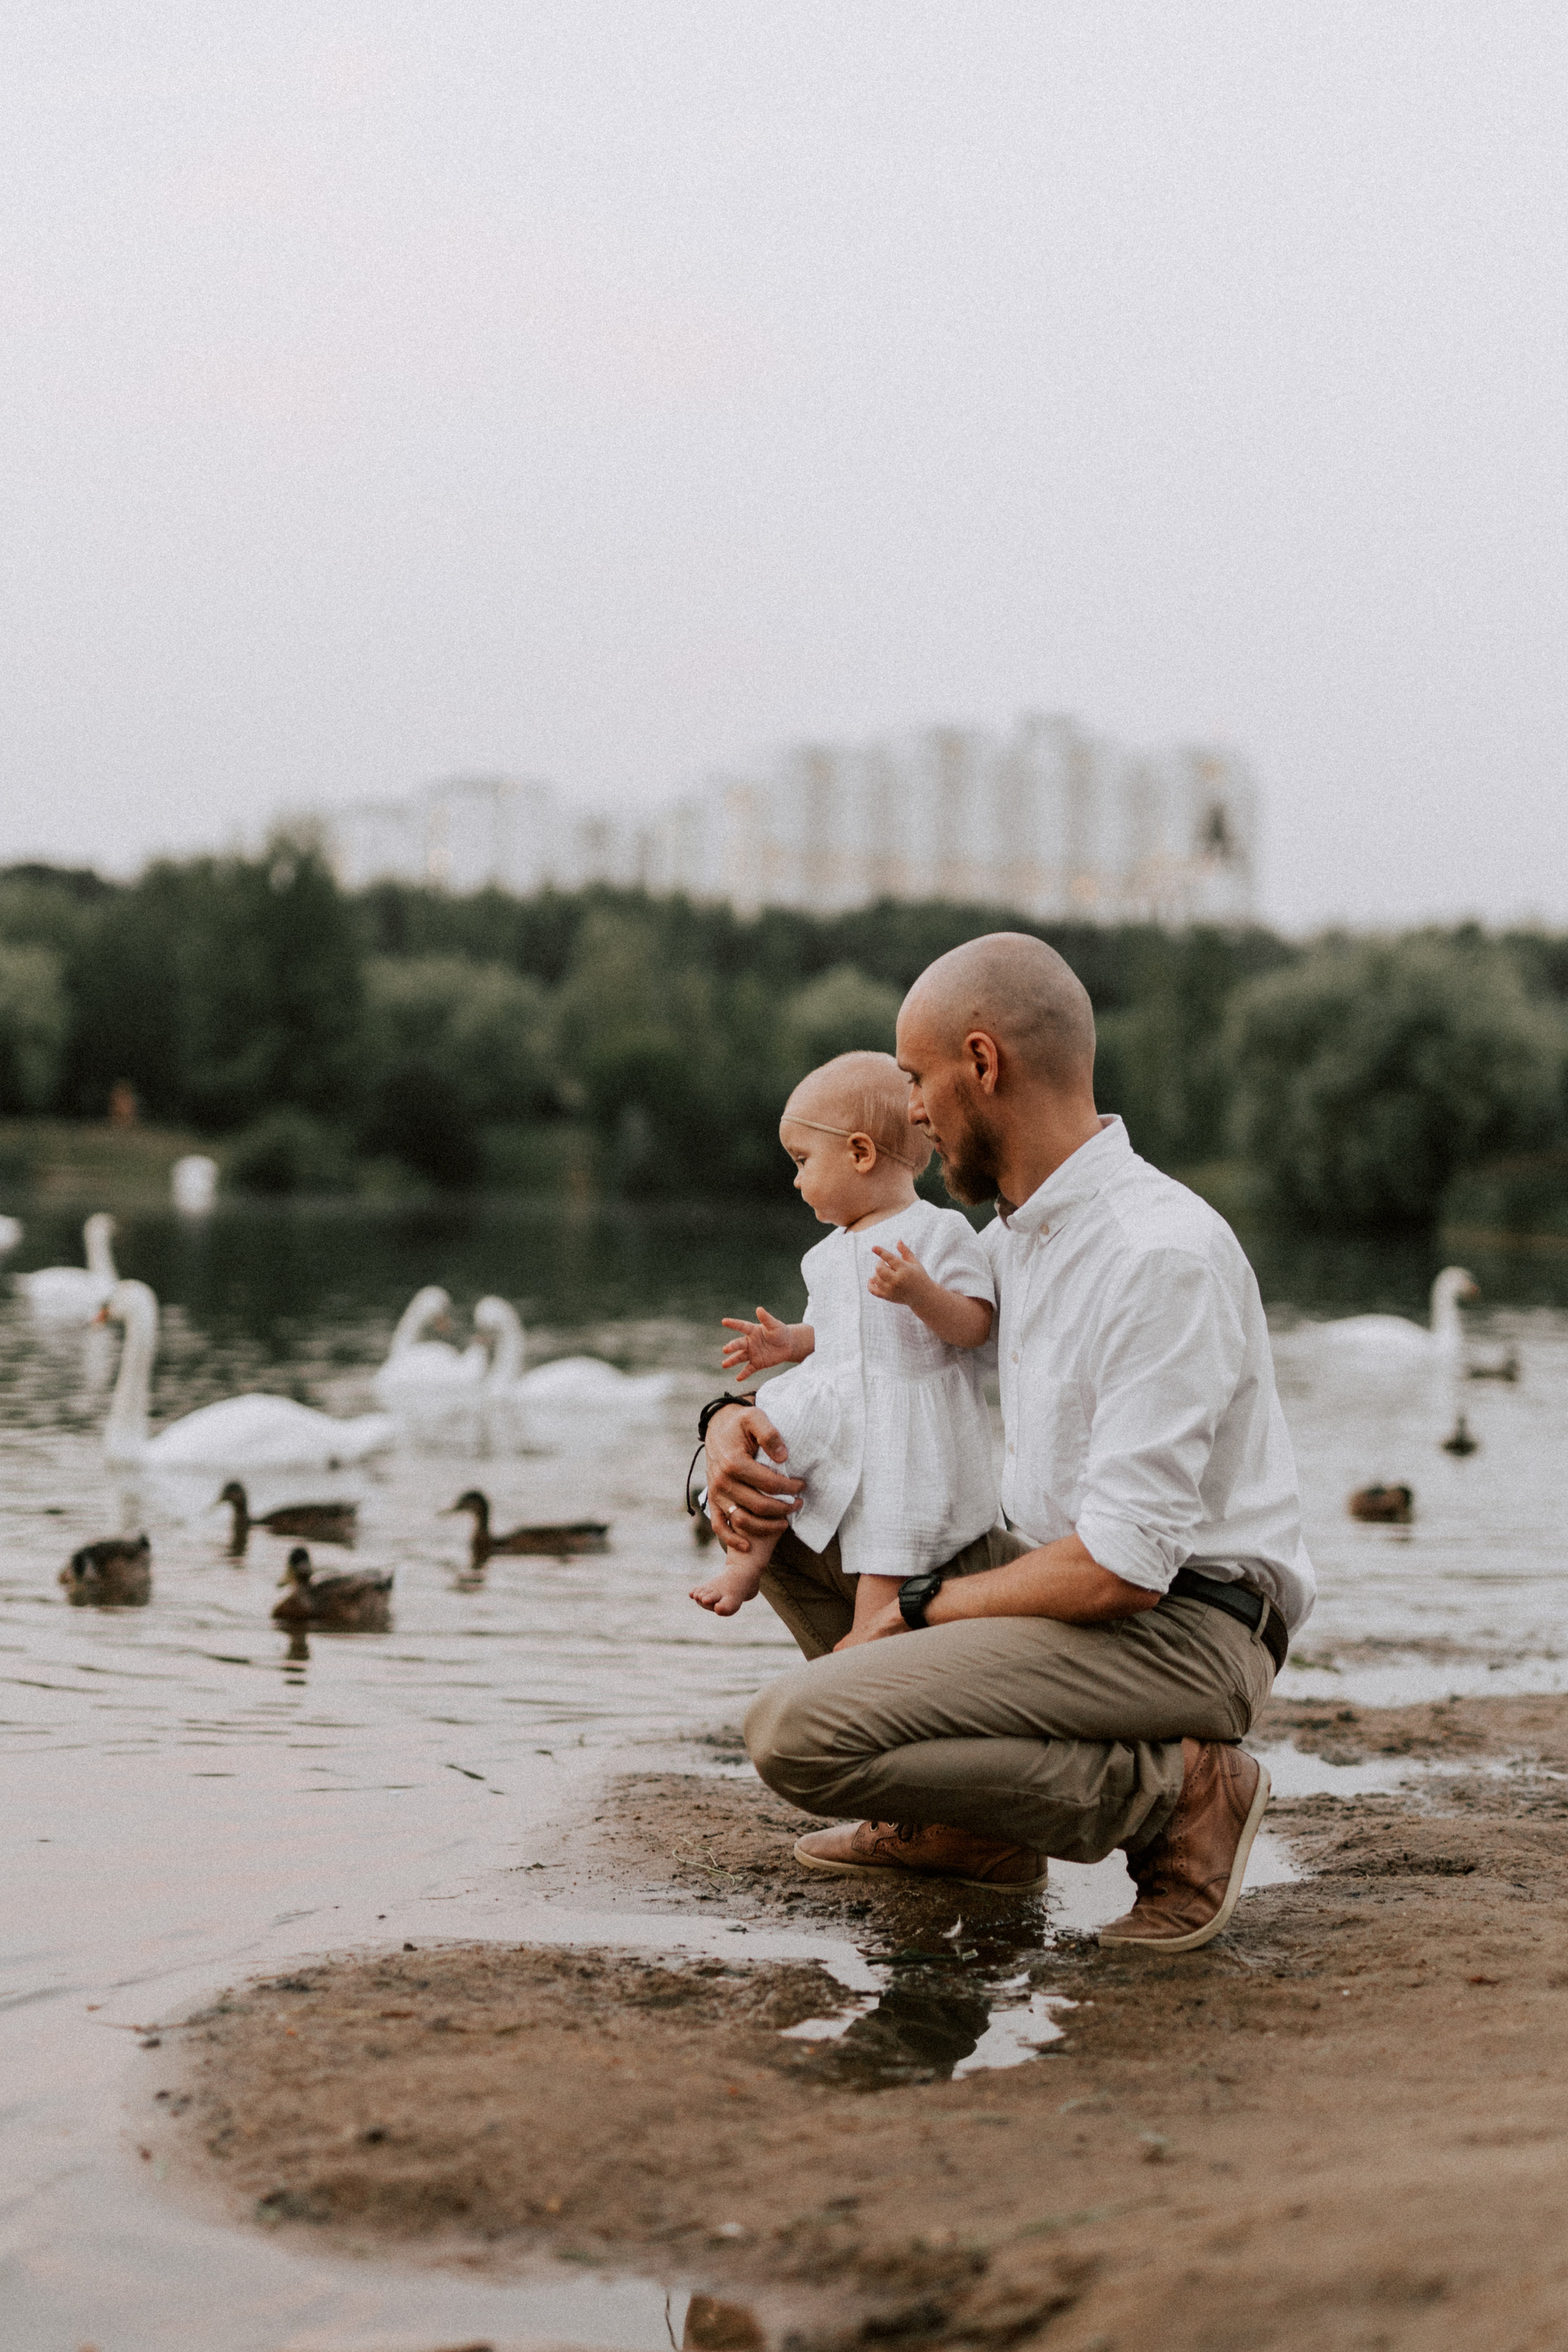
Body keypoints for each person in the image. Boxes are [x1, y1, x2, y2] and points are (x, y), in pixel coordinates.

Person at [701, 933, 1315, 1953]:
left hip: (1188, 1627)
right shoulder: (1008, 1245)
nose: (911, 1114)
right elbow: (855, 1374)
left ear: (983, 1063)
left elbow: (1125, 1568)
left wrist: (917, 1608)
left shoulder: (1156, 1255)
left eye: (916, 1079)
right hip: (1062, 1582)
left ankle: (1183, 1796)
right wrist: (727, 1428)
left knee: (795, 1735)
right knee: (774, 1497)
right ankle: (970, 1828)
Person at [690, 1050, 998, 1624]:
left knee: (890, 1526)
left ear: (860, 1153)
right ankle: (744, 1564)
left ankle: (869, 1629)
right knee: (768, 1460)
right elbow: (841, 1332)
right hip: (841, 1399)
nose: (796, 1179)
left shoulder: (938, 1230)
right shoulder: (825, 1255)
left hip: (905, 1418)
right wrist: (792, 1343)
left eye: (803, 1160)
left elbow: (976, 1326)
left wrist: (922, 1295)